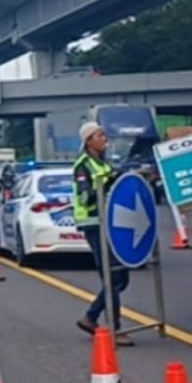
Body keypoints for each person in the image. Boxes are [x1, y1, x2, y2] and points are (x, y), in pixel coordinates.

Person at [72, 122, 134, 346]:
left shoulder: (102, 161)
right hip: (94, 224)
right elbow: (87, 196)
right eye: (99, 134)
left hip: (110, 222)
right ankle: (112, 328)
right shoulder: (83, 165)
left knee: (120, 276)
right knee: (112, 276)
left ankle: (91, 316)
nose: (104, 137)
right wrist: (108, 181)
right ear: (89, 140)